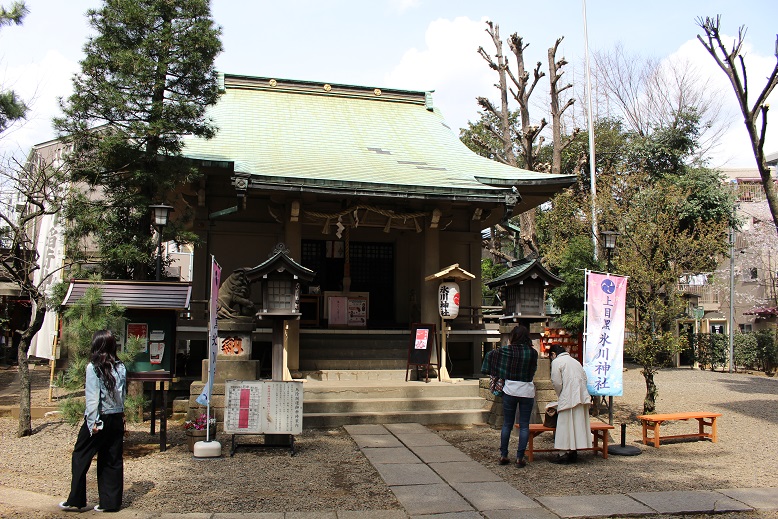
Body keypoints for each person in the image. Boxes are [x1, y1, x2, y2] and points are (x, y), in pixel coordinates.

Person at [59, 330, 127, 513]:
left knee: (80, 455)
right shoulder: (121, 366)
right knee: (112, 460)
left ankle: (76, 500)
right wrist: (121, 415)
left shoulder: (93, 367)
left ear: (97, 346)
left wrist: (92, 423)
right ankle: (110, 503)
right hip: (116, 417)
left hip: (100, 417)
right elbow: (122, 394)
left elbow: (92, 398)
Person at [481, 324, 538, 468]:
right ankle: (520, 457)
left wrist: (495, 370)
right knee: (524, 425)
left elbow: (489, 355)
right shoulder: (532, 353)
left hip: (510, 390)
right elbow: (533, 370)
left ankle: (503, 454)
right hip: (527, 391)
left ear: (513, 337)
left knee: (507, 423)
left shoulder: (506, 351)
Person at [547, 344, 592, 464]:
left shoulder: (557, 362)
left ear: (553, 354)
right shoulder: (575, 362)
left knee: (564, 425)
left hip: (567, 396)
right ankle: (573, 450)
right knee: (577, 424)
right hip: (581, 396)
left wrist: (561, 394)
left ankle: (563, 453)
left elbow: (556, 382)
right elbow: (585, 378)